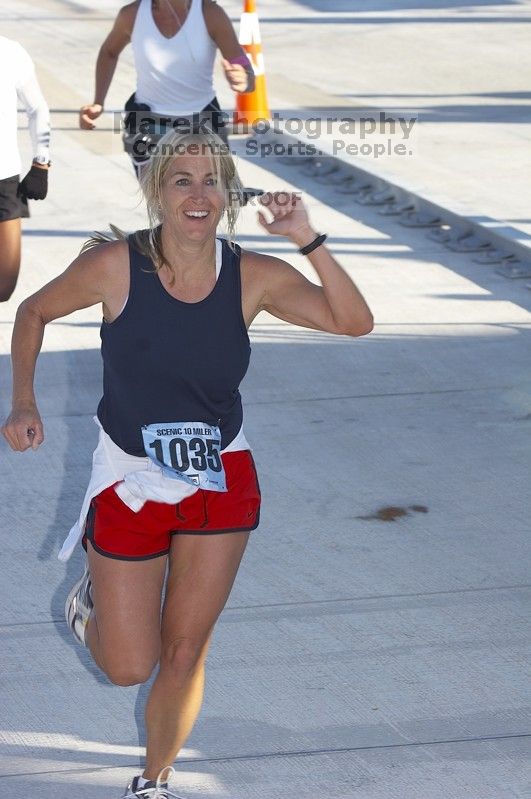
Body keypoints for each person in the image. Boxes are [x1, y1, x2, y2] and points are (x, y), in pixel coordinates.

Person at [1, 129, 373, 799]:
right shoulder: (117, 266)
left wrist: (305, 238)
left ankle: (153, 780)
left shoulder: (253, 275)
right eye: (182, 181)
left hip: (218, 479)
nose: (197, 195)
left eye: (210, 181)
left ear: (227, 194)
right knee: (126, 664)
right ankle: (91, 604)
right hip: (129, 481)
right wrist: (22, 401)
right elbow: (32, 312)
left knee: (184, 650)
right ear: (158, 193)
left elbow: (353, 321)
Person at [79, 0, 255, 173]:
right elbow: (109, 52)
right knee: (161, 199)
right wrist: (98, 102)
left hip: (202, 120)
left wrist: (244, 79)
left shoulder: (210, 14)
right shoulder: (131, 14)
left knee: (211, 197)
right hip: (148, 123)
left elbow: (243, 66)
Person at [0, 35, 51, 302]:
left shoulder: (10, 52)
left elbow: (37, 108)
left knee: (4, 286)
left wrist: (41, 163)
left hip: (4, 179)